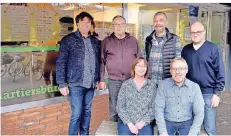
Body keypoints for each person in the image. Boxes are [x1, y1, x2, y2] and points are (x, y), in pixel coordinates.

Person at [56, 12, 100, 135]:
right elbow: (61, 62)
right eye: (83, 22)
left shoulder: (95, 41)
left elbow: (98, 62)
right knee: (76, 114)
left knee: (87, 112)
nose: (86, 24)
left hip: (90, 84)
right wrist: (62, 84)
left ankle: (85, 134)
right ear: (77, 23)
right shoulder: (68, 40)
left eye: (88, 22)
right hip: (75, 84)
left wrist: (97, 79)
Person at [181, 21, 226, 135]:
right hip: (190, 93)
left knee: (209, 127)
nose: (195, 34)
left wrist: (216, 94)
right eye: (192, 32)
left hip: (208, 93)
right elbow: (182, 72)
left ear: (204, 32)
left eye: (198, 32)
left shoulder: (213, 48)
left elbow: (220, 72)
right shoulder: (186, 50)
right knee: (192, 127)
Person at [99, 15, 142, 122]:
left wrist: (140, 78)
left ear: (125, 26)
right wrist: (101, 80)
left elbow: (140, 60)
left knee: (130, 105)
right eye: (116, 24)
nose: (119, 27)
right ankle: (114, 129)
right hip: (114, 81)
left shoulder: (133, 41)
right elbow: (102, 62)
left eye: (121, 24)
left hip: (131, 80)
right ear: (112, 26)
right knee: (114, 106)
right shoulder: (106, 41)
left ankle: (128, 130)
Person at [155, 57, 205, 135]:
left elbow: (199, 113)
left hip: (187, 123)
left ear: (186, 70)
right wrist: (163, 131)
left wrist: (193, 133)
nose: (177, 72)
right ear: (171, 71)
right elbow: (158, 109)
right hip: (168, 122)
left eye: (181, 68)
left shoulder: (194, 87)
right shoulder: (163, 86)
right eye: (174, 69)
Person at [116, 57, 156, 135]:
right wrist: (130, 124)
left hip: (145, 122)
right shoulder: (126, 85)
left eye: (144, 66)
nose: (141, 68)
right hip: (127, 122)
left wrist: (142, 122)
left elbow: (154, 107)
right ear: (134, 68)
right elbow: (120, 107)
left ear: (147, 69)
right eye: (138, 65)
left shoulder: (152, 85)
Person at [145, 11, 182, 87]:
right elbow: (145, 60)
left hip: (167, 84)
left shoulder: (174, 39)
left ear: (166, 23)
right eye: (155, 21)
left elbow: (178, 63)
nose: (158, 23)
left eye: (161, 20)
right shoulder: (148, 40)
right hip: (150, 84)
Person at [43, 16, 74, 97]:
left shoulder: (55, 38)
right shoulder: (77, 38)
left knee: (59, 98)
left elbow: (49, 59)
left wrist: (46, 75)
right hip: (73, 75)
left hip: (59, 74)